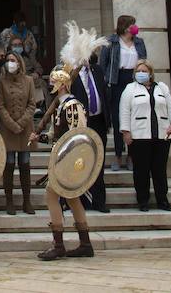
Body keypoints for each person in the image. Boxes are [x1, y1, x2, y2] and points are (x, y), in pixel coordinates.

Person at [31, 23, 107, 260]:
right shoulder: (62, 106)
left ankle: (59, 244)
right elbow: (56, 135)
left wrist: (68, 161)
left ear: (62, 84)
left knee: (52, 196)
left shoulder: (72, 106)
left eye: (55, 81)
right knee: (72, 199)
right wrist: (40, 137)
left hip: (68, 159)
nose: (51, 84)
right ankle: (85, 243)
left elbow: (75, 137)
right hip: (61, 154)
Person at [120, 59, 171, 212]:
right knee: (141, 170)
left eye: (144, 71)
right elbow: (124, 111)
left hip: (161, 135)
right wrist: (126, 132)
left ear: (150, 73)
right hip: (139, 136)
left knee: (159, 170)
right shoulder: (130, 89)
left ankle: (162, 200)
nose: (141, 74)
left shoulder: (161, 87)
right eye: (138, 71)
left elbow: (170, 107)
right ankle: (143, 200)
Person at [0, 45, 39, 215]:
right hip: (8, 130)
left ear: (19, 63)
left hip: (25, 128)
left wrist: (21, 123)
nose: (9, 63)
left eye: (12, 61)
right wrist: (12, 125)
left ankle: (27, 200)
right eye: (7, 61)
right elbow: (0, 105)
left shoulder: (28, 81)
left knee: (25, 163)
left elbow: (32, 104)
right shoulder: (1, 81)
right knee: (9, 164)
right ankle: (9, 200)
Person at [69, 39, 111, 213]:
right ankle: (81, 200)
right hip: (80, 122)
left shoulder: (98, 70)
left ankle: (99, 201)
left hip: (98, 121)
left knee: (98, 161)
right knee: (80, 161)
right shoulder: (71, 73)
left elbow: (103, 93)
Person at [101, 15, 146, 170]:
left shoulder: (139, 42)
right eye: (132, 24)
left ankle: (131, 156)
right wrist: (106, 80)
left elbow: (144, 61)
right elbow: (103, 63)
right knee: (118, 118)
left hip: (134, 79)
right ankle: (118, 155)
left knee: (133, 117)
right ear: (125, 26)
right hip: (116, 80)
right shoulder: (111, 42)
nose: (134, 27)